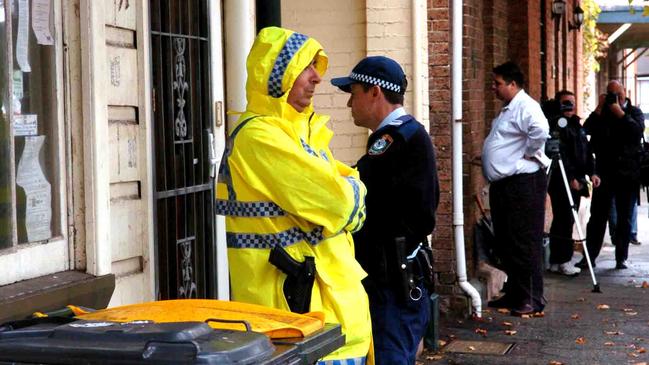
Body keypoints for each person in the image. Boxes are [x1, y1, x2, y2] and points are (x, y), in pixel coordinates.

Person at [216, 27, 371, 364]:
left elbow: (346, 189)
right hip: (301, 327)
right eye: (305, 67)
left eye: (317, 66)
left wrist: (348, 191)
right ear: (276, 75)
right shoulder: (261, 137)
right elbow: (342, 204)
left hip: (332, 322)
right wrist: (349, 197)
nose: (317, 77)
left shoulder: (297, 131)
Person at [331, 56, 439, 364]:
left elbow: (359, 195)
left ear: (375, 92)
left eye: (354, 92)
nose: (350, 102)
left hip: (391, 282)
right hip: (397, 279)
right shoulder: (403, 136)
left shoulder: (394, 140)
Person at [482, 61, 549, 316]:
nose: (494, 88)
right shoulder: (509, 108)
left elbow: (540, 131)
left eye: (498, 83)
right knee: (507, 241)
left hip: (523, 184)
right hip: (506, 184)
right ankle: (515, 294)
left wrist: (528, 153)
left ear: (512, 84)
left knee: (524, 240)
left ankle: (532, 298)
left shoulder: (526, 106)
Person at [577, 80, 645, 270]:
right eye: (610, 94)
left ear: (625, 93)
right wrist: (599, 108)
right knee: (597, 217)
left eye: (618, 94)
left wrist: (621, 114)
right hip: (605, 172)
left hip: (627, 173)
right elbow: (586, 130)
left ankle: (620, 257)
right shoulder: (603, 112)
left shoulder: (633, 112)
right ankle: (589, 257)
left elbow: (636, 132)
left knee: (624, 218)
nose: (615, 98)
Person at [546, 90, 594, 276]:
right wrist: (571, 177)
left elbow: (585, 151)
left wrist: (592, 172)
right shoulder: (558, 125)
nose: (569, 107)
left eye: (572, 103)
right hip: (562, 180)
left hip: (577, 179)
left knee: (565, 219)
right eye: (565, 103)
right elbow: (561, 154)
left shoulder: (576, 125)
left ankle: (558, 259)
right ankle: (562, 259)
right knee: (564, 219)